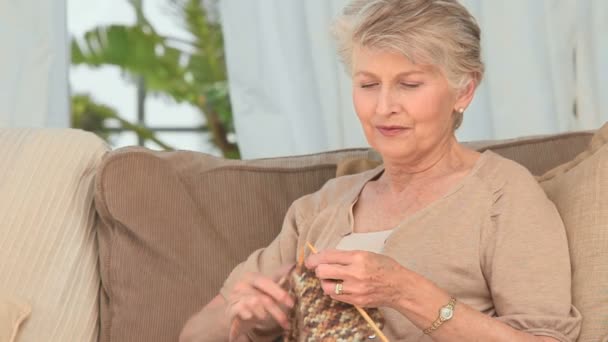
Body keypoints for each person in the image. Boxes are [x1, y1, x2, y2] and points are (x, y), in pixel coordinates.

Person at [180, 0, 582, 341]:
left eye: (409, 84)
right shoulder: (321, 206)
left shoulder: (502, 195)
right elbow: (194, 331)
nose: (383, 106)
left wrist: (407, 293)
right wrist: (244, 316)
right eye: (368, 84)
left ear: (464, 90)